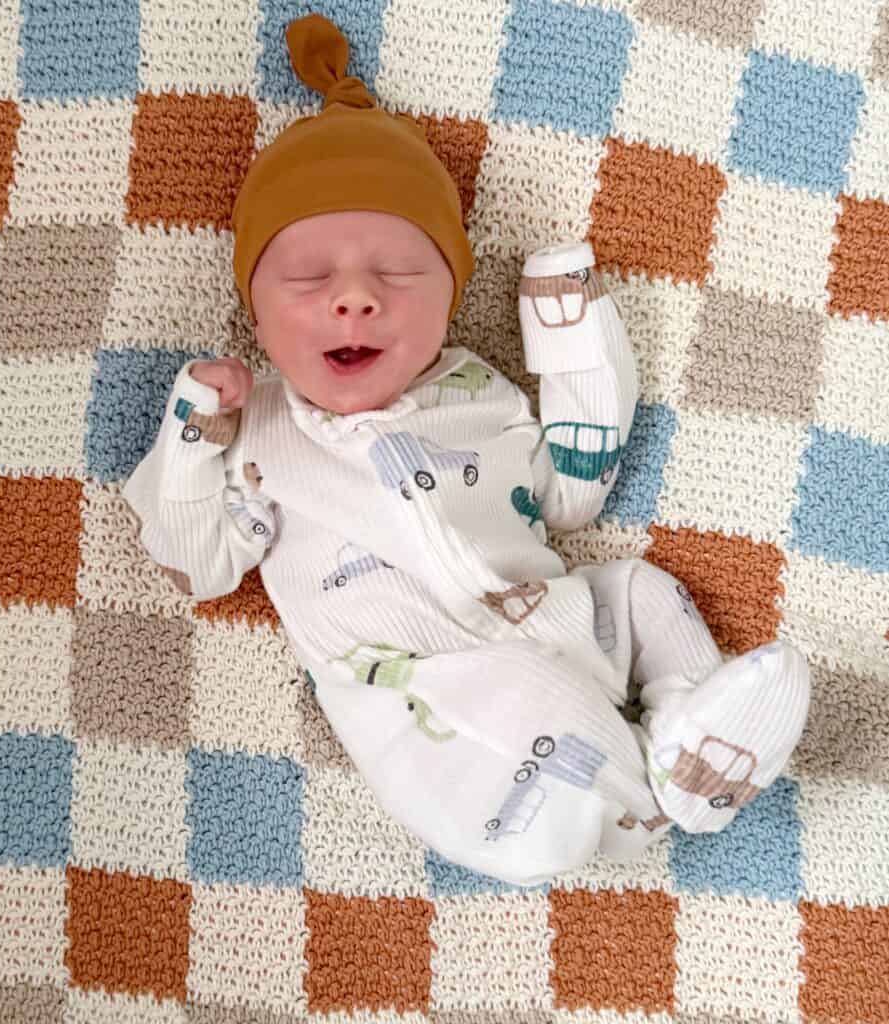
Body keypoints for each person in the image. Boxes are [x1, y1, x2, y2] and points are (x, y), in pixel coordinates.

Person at [123, 14, 810, 886]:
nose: (353, 301)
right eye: (305, 281)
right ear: (254, 316)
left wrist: (569, 340)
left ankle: (690, 737)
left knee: (637, 588)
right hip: (425, 695)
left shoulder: (478, 394)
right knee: (534, 712)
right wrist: (194, 435)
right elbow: (199, 567)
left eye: (399, 275)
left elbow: (570, 496)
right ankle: (656, 792)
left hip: (552, 614)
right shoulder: (258, 433)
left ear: (449, 301)